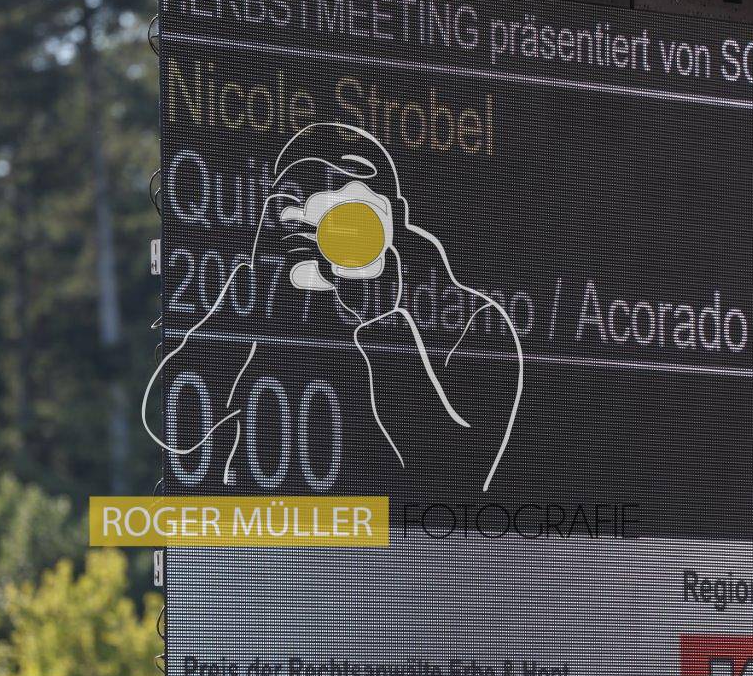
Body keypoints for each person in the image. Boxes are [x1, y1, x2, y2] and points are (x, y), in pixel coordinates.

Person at [143, 123, 524, 493]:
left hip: (399, 534)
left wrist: (384, 328)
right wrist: (235, 325)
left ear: (392, 223)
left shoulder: (474, 319)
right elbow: (189, 448)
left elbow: (464, 480)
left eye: (344, 218)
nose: (310, 231)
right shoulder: (269, 309)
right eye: (289, 211)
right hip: (275, 532)